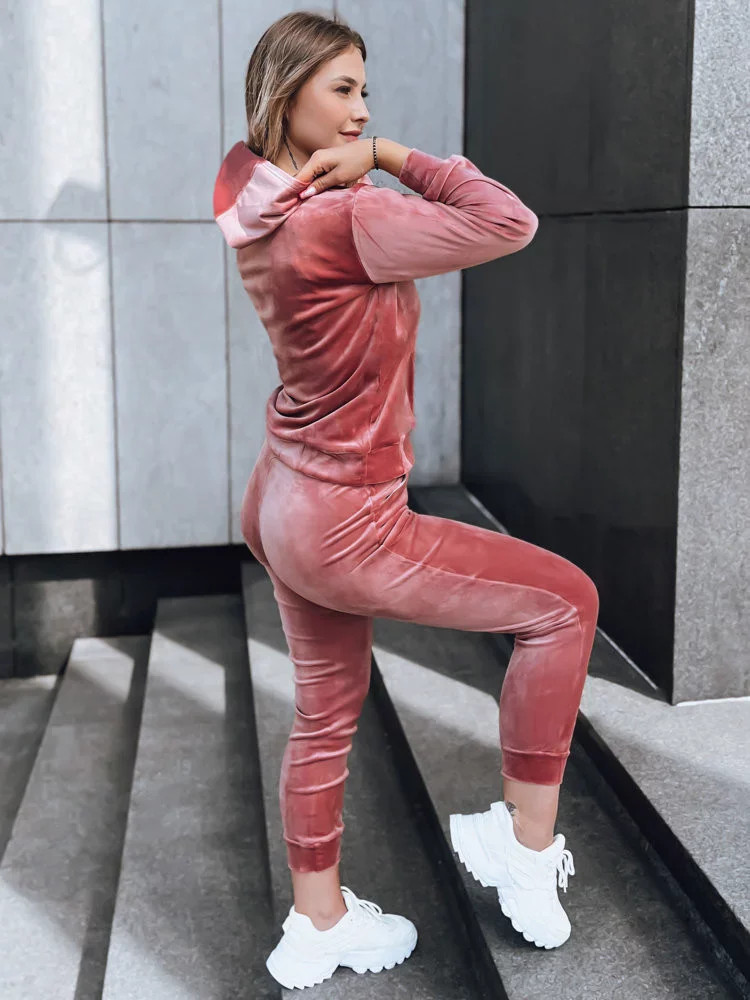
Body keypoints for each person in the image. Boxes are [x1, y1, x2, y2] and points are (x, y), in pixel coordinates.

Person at [213, 9, 599, 991]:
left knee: (324, 713)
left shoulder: (260, 205)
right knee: (566, 604)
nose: (361, 110)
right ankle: (523, 845)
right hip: (347, 518)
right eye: (342, 90)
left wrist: (361, 160)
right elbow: (509, 220)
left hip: (281, 497)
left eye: (366, 93)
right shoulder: (347, 218)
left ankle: (318, 923)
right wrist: (390, 156)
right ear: (287, 95)